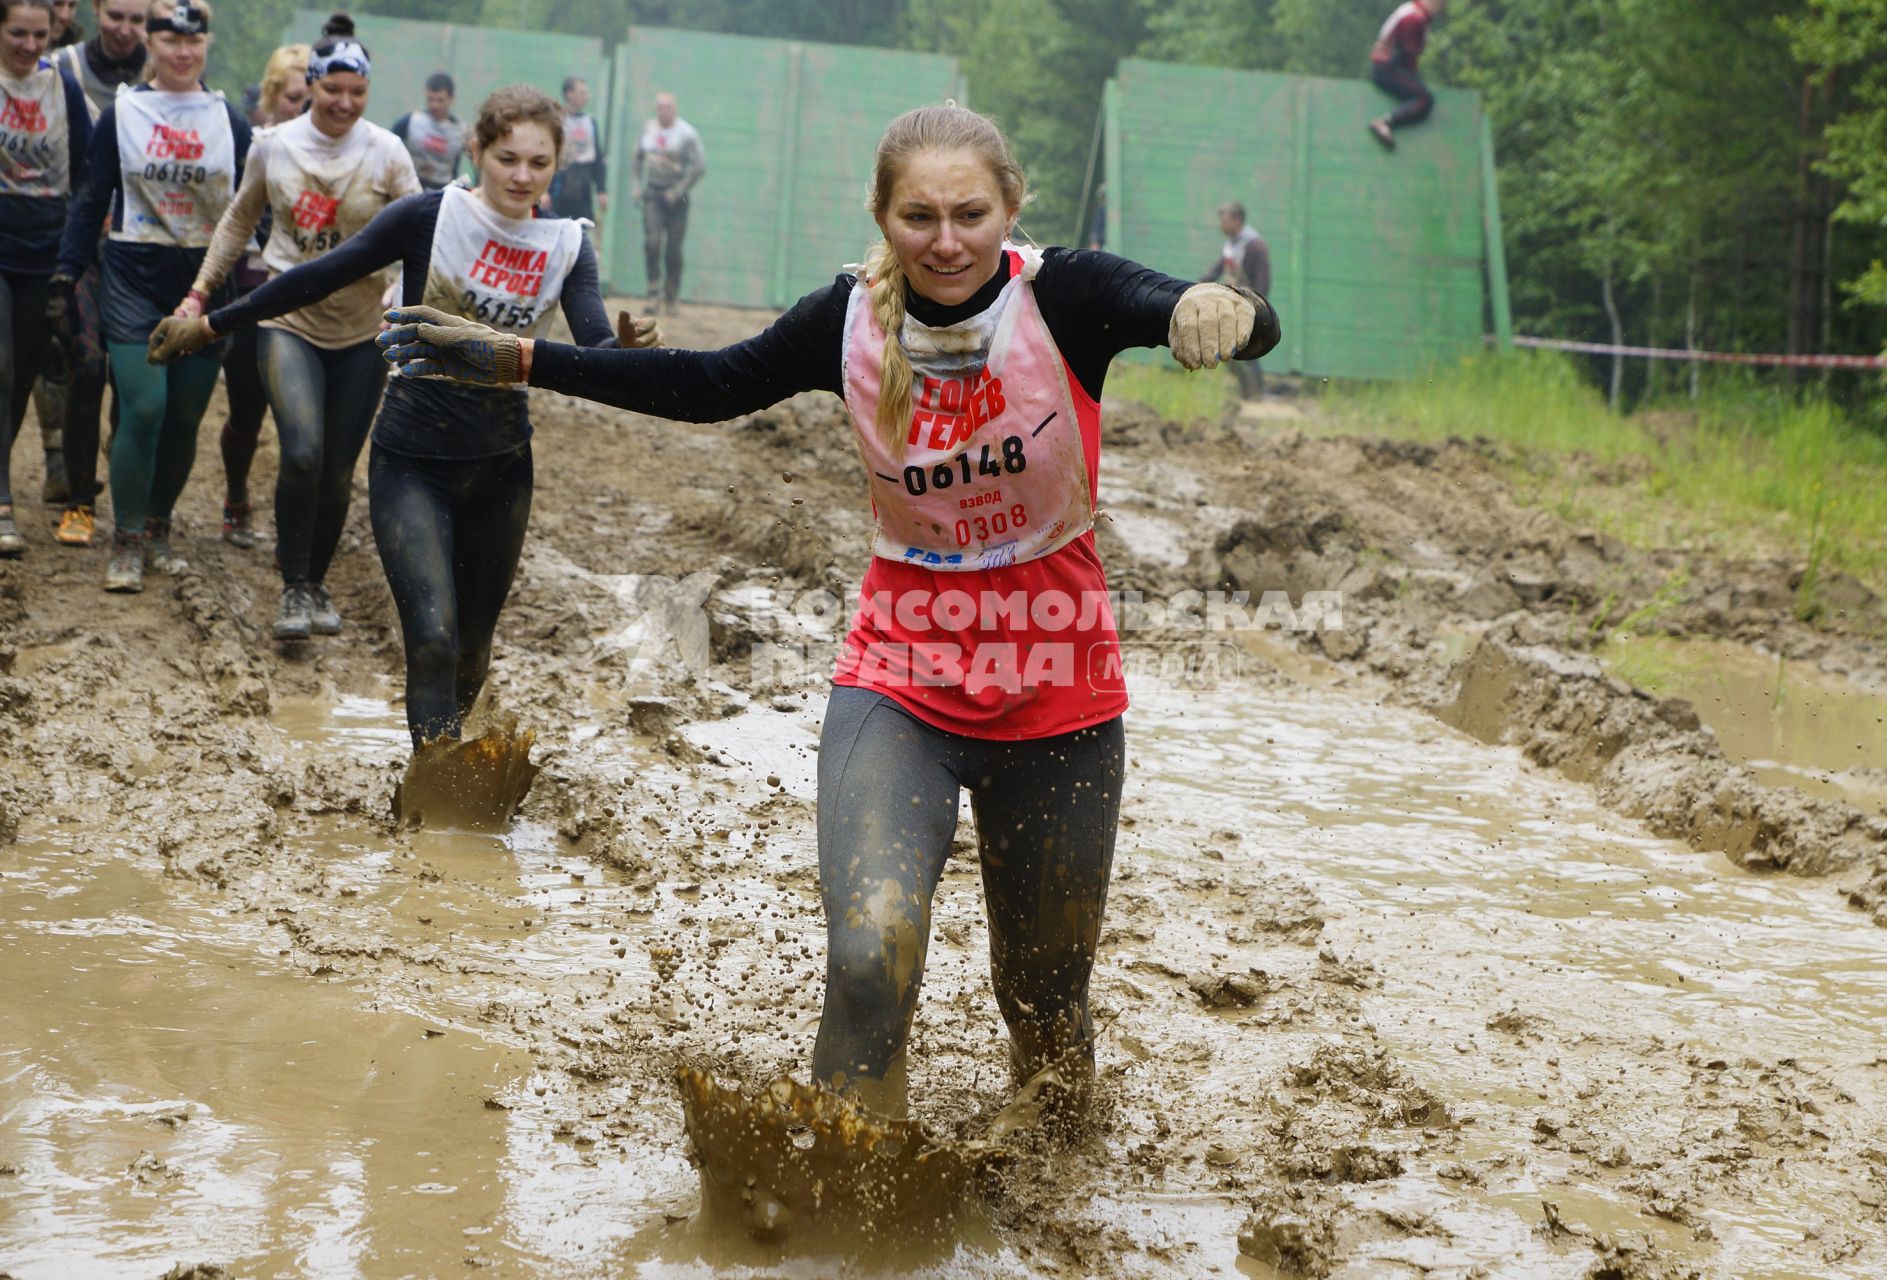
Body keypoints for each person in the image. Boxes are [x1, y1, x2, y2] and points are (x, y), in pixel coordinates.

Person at [378, 104, 1278, 1124]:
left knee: (1043, 1003)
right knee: (866, 953)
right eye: (919, 216)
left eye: (969, 214)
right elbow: (707, 385)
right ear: (883, 217)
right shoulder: (846, 319)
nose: (946, 241)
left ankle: (1058, 1166)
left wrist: (1219, 304)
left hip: (1060, 695)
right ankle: (840, 1202)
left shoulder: (1065, 295)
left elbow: (1205, 306)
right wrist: (520, 358)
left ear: (1009, 209)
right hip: (900, 682)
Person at [151, 86, 654, 731]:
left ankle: (440, 768)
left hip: (503, 466)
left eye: (539, 163)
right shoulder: (429, 216)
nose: (522, 176)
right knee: (435, 639)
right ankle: (434, 795)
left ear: (558, 165)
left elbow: (595, 350)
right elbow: (320, 274)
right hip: (412, 459)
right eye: (507, 159)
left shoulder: (567, 245)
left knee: (472, 652)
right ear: (477, 150)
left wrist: (628, 352)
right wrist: (211, 324)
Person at [168, 16, 419, 639]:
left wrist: (402, 289)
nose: (343, 103)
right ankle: (290, 588)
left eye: (356, 93)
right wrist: (198, 296)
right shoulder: (274, 145)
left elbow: (425, 235)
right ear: (311, 84)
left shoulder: (387, 152)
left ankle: (315, 584)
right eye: (332, 89)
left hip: (363, 328)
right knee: (302, 453)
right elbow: (235, 223)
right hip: (288, 321)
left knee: (336, 469)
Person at [51, 0, 250, 590]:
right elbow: (91, 197)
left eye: (194, 42)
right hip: (133, 273)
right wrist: (66, 273)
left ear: (207, 45)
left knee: (185, 415)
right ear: (152, 46)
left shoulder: (230, 120)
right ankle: (127, 539)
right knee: (144, 407)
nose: (183, 52)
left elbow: (252, 205)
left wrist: (249, 253)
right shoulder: (123, 114)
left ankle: (159, 529)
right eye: (170, 41)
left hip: (206, 281)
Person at [43, 0, 144, 543]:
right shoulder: (63, 69)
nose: (125, 30)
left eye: (137, 19)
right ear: (97, 11)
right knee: (84, 367)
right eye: (115, 16)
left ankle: (126, 479)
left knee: (131, 380)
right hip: (76, 240)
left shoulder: (167, 75)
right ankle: (77, 496)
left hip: (139, 250)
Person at [0, 0, 91, 556]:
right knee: (1, 365)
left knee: (21, 378)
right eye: (16, 33)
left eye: (40, 34)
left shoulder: (63, 90)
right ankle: (3, 502)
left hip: (44, 252)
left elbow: (86, 167)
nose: (29, 45)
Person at [211, 39, 306, 550]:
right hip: (252, 294)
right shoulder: (253, 145)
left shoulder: (350, 151)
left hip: (316, 303)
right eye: (294, 98)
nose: (304, 109)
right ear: (272, 97)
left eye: (311, 98)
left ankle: (298, 520)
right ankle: (236, 493)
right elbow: (230, 218)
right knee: (248, 410)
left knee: (304, 425)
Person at [631, 90, 701, 313]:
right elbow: (637, 157)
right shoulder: (648, 129)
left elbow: (698, 167)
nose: (664, 111)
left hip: (676, 197)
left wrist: (678, 189)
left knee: (673, 248)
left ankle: (671, 296)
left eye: (668, 107)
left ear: (675, 109)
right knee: (652, 242)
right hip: (653, 193)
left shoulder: (686, 133)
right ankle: (653, 293)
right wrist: (636, 185)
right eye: (660, 107)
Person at [1200, 201, 1270, 399]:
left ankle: (1256, 394)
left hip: (1249, 305)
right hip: (1233, 303)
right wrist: (1199, 284)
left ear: (1237, 220)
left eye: (1225, 219)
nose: (1222, 223)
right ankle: (1247, 392)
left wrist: (1258, 307)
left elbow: (1263, 280)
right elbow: (1218, 269)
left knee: (1247, 350)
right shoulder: (1231, 243)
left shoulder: (1255, 245)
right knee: (1232, 349)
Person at [1368, 0, 1444, 150]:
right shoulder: (1414, 18)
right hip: (1387, 68)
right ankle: (1385, 122)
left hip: (1389, 66)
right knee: (1424, 98)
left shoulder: (1415, 12)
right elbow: (1408, 55)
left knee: (1422, 92)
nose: (1442, 6)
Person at [547, 74, 605, 226]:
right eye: (582, 92)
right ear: (569, 94)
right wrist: (545, 191)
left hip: (583, 183)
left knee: (581, 228)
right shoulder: (557, 120)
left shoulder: (590, 122)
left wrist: (601, 190)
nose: (586, 96)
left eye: (586, 92)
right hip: (560, 182)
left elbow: (598, 158)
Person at [392, 70, 463, 192]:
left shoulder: (460, 131)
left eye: (440, 100)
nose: (434, 105)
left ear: (451, 99)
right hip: (411, 185)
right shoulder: (412, 121)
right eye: (430, 99)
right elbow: (390, 143)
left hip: (443, 190)